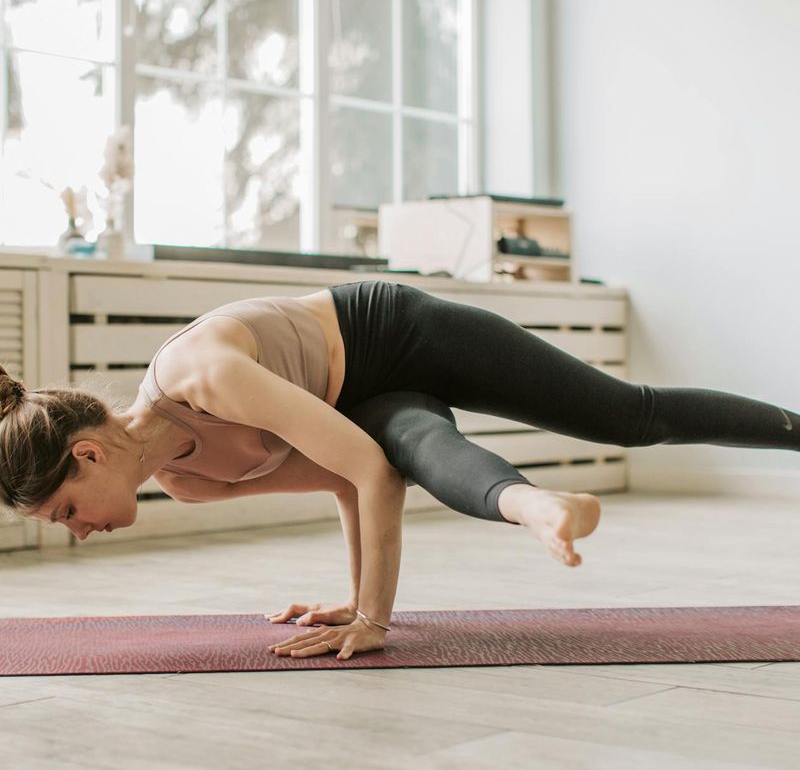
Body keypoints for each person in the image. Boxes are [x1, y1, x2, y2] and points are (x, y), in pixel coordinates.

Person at [1, 279, 799, 661]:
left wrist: (374, 623)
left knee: (630, 415)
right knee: (414, 444)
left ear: (90, 453)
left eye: (67, 510)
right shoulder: (185, 479)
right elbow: (355, 476)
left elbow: (367, 477)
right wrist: (358, 602)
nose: (79, 533)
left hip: (404, 336)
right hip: (369, 403)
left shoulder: (200, 374)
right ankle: (536, 505)